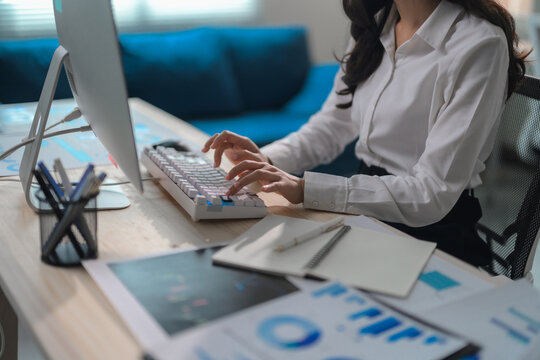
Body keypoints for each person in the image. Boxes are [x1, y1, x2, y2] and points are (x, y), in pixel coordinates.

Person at [202, 0, 529, 266]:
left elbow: (432, 192)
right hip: (362, 215)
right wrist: (266, 158)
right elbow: (332, 125)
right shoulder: (375, 24)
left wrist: (304, 188)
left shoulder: (479, 44)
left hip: (432, 234)